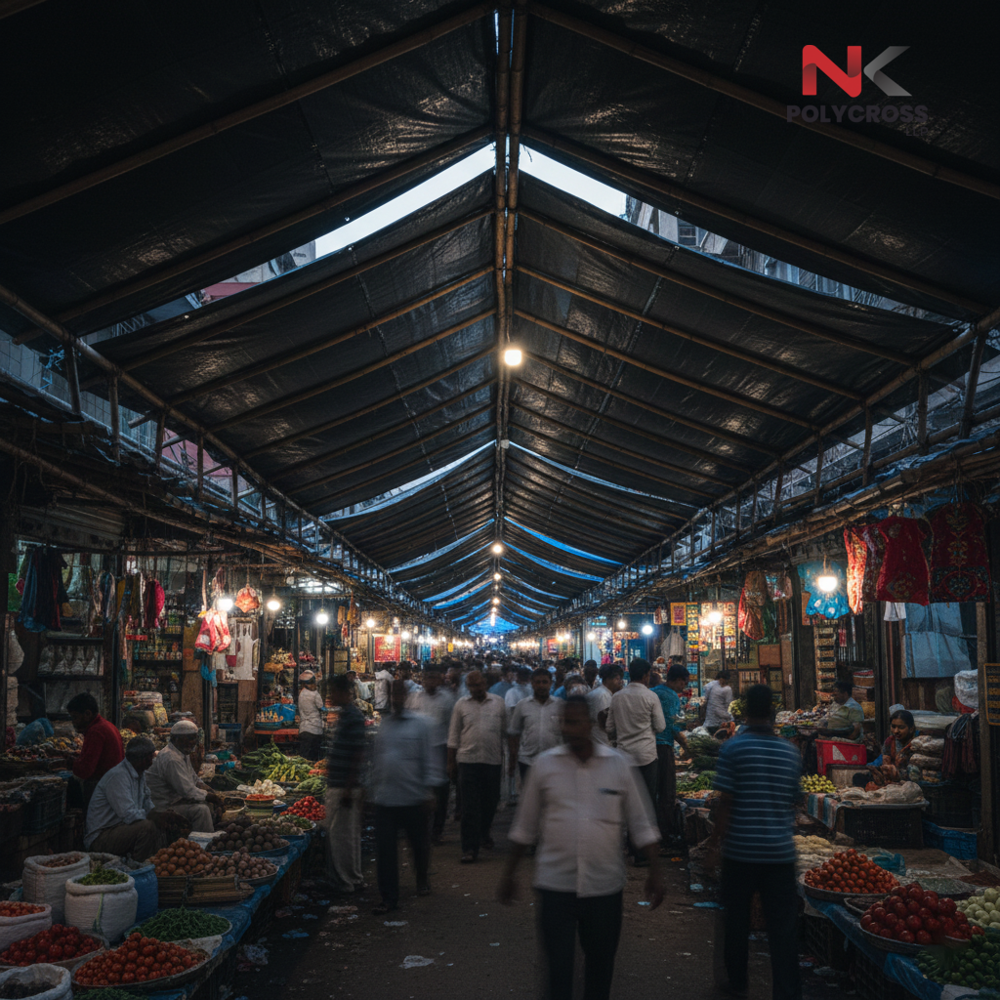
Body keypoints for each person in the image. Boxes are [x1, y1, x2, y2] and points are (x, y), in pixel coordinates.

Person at [499, 696, 664, 1000]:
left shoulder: (618, 764)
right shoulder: (545, 766)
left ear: (589, 725)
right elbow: (525, 826)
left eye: (575, 722)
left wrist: (656, 871)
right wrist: (509, 874)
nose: (569, 729)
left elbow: (641, 822)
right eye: (565, 722)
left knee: (600, 969)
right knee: (558, 970)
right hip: (555, 884)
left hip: (604, 886)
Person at [706, 684, 802, 1000]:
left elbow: (725, 804)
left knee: (736, 921)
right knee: (783, 930)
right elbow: (794, 800)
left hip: (741, 851)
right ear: (773, 713)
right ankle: (787, 992)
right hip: (780, 853)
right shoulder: (789, 752)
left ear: (745, 712)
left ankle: (737, 982)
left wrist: (714, 846)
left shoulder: (733, 749)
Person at [370, 680, 435, 914]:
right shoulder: (384, 725)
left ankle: (422, 878)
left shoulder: (420, 725)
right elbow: (377, 760)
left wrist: (428, 791)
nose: (396, 698)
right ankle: (389, 897)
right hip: (386, 798)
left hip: (413, 797)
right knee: (386, 851)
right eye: (393, 694)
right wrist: (371, 789)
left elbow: (428, 759)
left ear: (406, 695)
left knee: (418, 845)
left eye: (399, 693)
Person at [85, 737, 187, 859]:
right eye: (150, 759)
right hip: (101, 837)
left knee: (161, 825)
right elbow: (128, 815)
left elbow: (147, 803)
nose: (151, 762)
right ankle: (139, 864)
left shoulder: (139, 774)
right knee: (147, 827)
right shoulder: (118, 776)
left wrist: (162, 815)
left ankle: (153, 860)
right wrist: (155, 817)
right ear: (141, 759)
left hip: (121, 829)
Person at [606, 658, 665, 864]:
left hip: (624, 757)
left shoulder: (617, 697)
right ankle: (643, 853)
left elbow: (609, 728)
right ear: (646, 675)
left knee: (627, 804)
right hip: (647, 756)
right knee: (646, 804)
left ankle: (630, 848)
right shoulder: (651, 696)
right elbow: (660, 726)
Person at [447, 669, 506, 862]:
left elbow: (505, 733)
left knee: (490, 803)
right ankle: (469, 848)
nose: (476, 689)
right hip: (467, 761)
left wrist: (508, 758)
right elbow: (453, 737)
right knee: (469, 806)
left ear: (485, 684)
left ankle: (483, 833)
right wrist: (451, 763)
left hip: (492, 760)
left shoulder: (498, 703)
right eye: (472, 686)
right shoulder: (461, 705)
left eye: (479, 685)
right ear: (468, 687)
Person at [325, 673, 368, 895]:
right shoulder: (346, 715)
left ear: (342, 692)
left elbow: (358, 754)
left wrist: (349, 789)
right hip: (341, 784)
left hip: (344, 786)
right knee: (346, 835)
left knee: (341, 836)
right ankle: (353, 878)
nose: (330, 696)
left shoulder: (353, 716)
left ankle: (347, 881)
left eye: (333, 692)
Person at [406, 665, 455, 845]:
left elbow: (452, 729)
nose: (431, 681)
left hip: (440, 749)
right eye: (428, 678)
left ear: (440, 679)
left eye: (434, 677)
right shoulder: (414, 698)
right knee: (419, 790)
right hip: (418, 751)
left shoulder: (447, 700)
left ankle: (437, 830)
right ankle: (421, 829)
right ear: (423, 679)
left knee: (440, 793)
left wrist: (451, 758)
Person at [145, 720, 223, 831]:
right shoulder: (171, 758)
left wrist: (211, 791)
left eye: (195, 738)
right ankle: (203, 839)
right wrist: (211, 797)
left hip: (176, 800)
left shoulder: (182, 753)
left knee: (208, 804)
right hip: (163, 807)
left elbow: (194, 779)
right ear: (176, 739)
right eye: (190, 738)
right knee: (201, 810)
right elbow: (187, 791)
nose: (194, 742)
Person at [650, 663, 690, 844]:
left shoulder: (653, 691)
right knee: (667, 792)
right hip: (664, 745)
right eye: (684, 683)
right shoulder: (672, 696)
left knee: (653, 791)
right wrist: (687, 746)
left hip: (649, 745)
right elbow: (674, 726)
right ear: (678, 680)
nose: (684, 687)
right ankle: (665, 835)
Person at [68, 692, 124, 807]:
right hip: (114, 785)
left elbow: (85, 770)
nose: (73, 722)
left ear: (87, 714)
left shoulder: (96, 731)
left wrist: (69, 763)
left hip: (103, 788)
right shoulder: (107, 725)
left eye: (75, 717)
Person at [508, 668, 562, 784]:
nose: (541, 686)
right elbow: (514, 733)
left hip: (554, 761)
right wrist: (512, 760)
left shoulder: (560, 705)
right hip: (527, 761)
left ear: (550, 684)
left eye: (544, 682)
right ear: (532, 683)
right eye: (538, 682)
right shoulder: (522, 705)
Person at [865, 709, 917, 786]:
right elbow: (881, 760)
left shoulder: (916, 744)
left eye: (901, 727)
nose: (896, 731)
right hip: (890, 782)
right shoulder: (889, 742)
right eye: (893, 726)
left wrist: (897, 773)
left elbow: (916, 772)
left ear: (911, 729)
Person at [587, 663, 623, 746]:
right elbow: (605, 721)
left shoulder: (604, 693)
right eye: (617, 679)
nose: (620, 682)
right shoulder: (602, 695)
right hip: (600, 740)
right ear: (609, 679)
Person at [297, 671, 328, 761]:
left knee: (304, 759)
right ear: (306, 684)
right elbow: (322, 708)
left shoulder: (302, 694)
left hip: (304, 729)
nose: (314, 685)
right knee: (313, 759)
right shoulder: (314, 694)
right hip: (315, 730)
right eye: (312, 683)